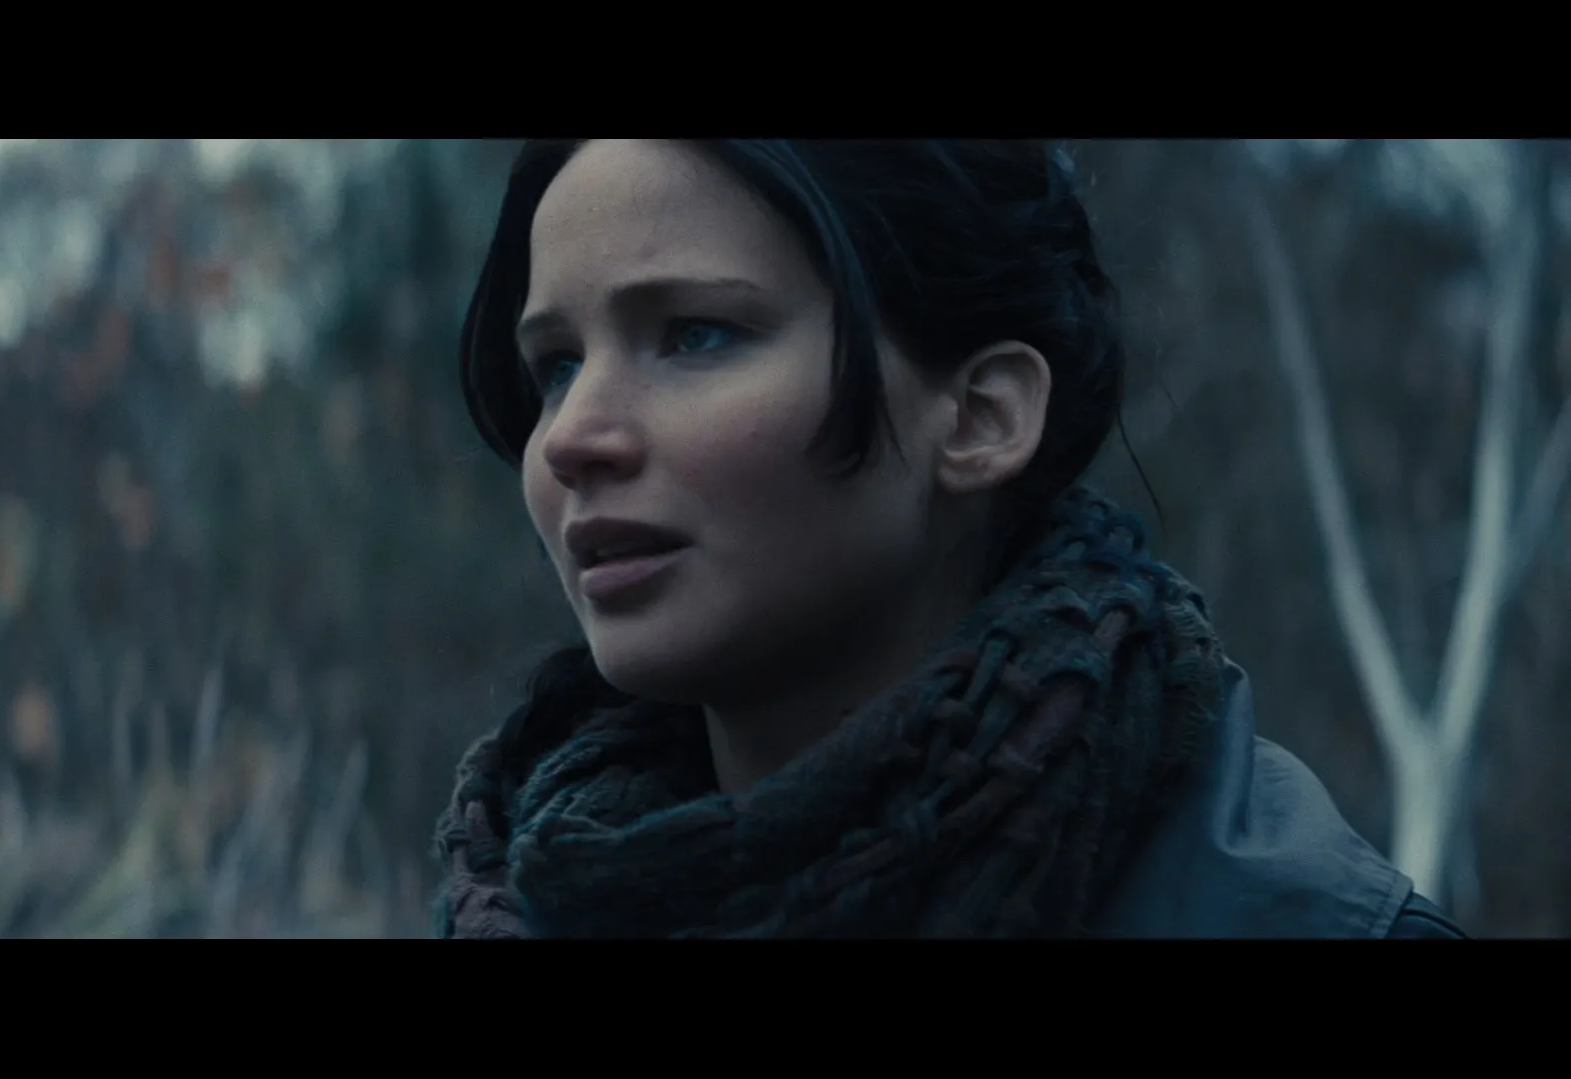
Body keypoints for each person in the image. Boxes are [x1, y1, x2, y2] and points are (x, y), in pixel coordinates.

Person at [433, 138, 1467, 939]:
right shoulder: (519, 893)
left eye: (696, 334)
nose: (570, 437)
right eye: (557, 365)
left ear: (979, 417)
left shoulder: (1289, 921)